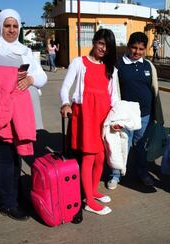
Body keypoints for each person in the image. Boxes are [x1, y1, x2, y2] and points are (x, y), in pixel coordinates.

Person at [0, 9, 47, 221]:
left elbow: (41, 77)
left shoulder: (25, 50)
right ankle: (7, 202)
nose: (11, 30)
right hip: (0, 115)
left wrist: (31, 79)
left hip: (21, 115)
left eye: (15, 26)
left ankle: (16, 195)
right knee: (4, 159)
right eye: (7, 25)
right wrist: (7, 80)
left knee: (17, 157)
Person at [60, 29, 119, 216]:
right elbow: (65, 88)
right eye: (101, 43)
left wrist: (116, 119)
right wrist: (66, 103)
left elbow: (114, 97)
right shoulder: (79, 62)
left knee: (101, 157)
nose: (103, 48)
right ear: (94, 42)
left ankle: (93, 191)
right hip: (85, 114)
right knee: (89, 157)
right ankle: (89, 201)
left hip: (103, 116)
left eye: (107, 46)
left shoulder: (111, 69)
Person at [107, 32, 164, 190]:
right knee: (120, 144)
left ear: (145, 49)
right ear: (128, 46)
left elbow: (154, 90)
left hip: (144, 114)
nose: (137, 52)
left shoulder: (148, 65)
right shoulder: (118, 65)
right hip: (124, 115)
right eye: (134, 48)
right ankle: (115, 175)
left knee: (140, 146)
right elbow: (112, 90)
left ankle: (142, 172)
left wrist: (155, 113)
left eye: (141, 49)